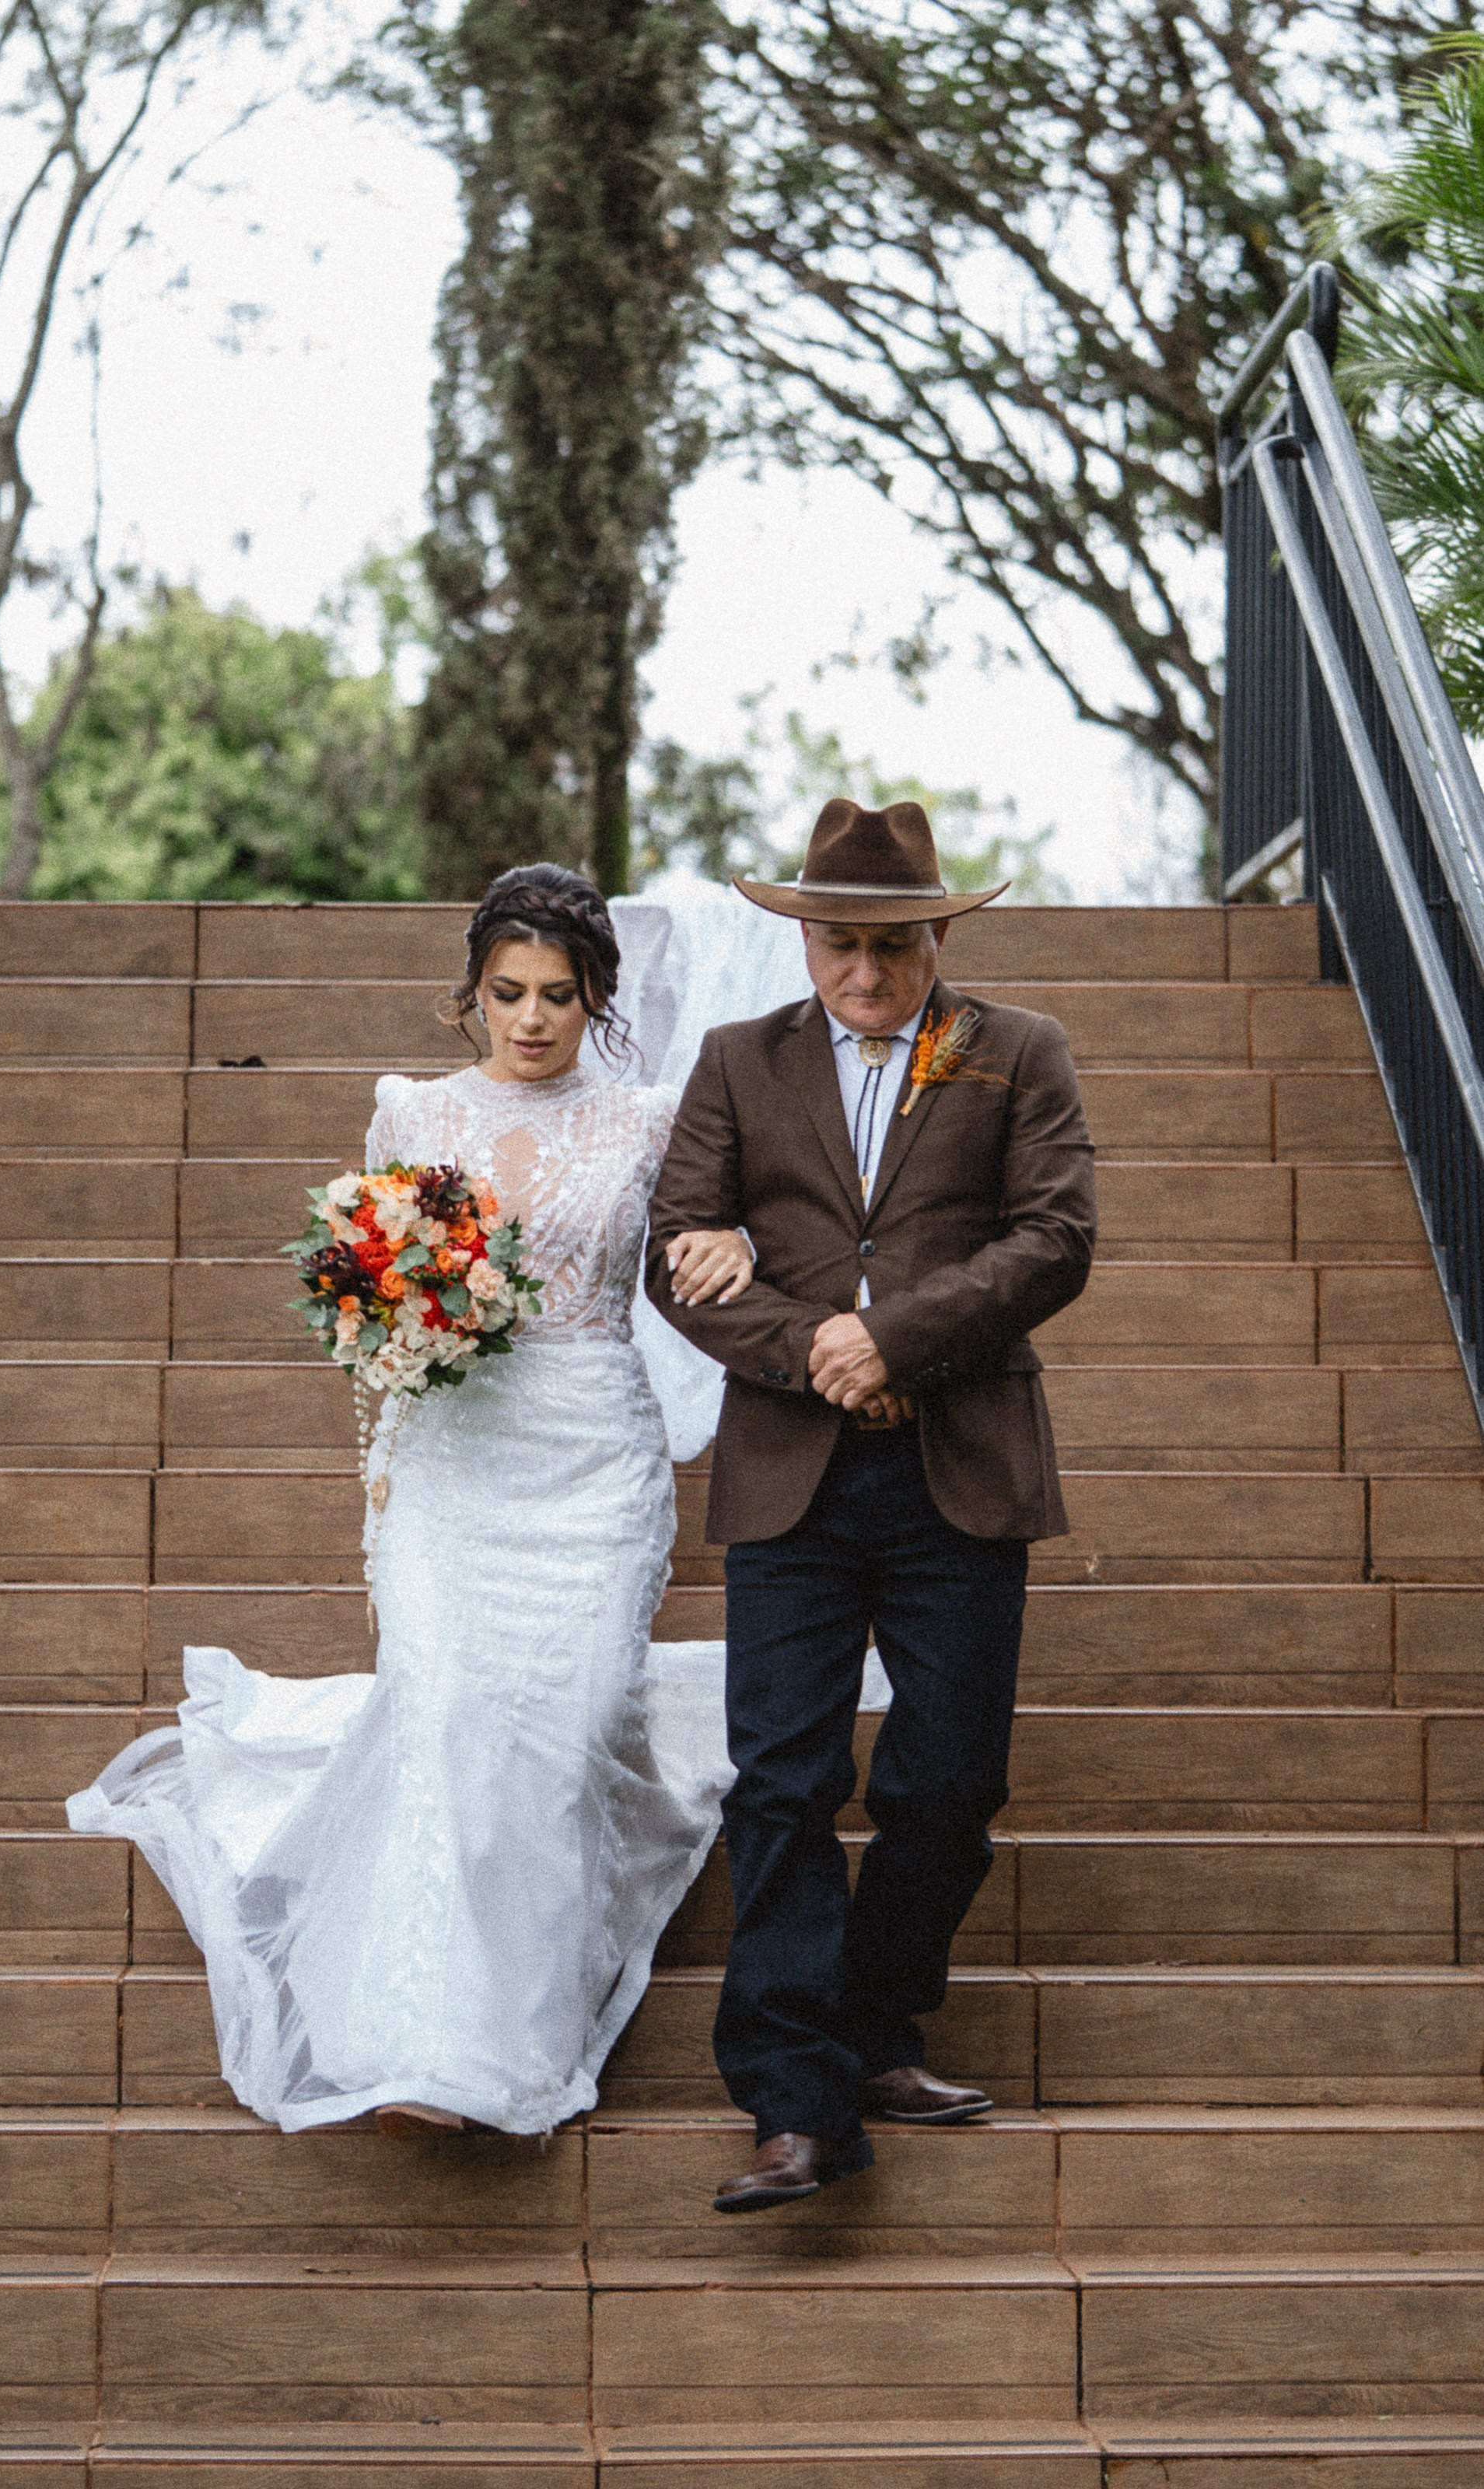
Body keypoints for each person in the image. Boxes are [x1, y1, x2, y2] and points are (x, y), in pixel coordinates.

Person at [68, 864, 751, 2136]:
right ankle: (438, 2039)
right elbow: (365, 1296)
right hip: (448, 1455)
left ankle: (523, 2007)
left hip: (593, 1451)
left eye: (558, 994)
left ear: (598, 997)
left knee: (573, 1717)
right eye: (507, 992)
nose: (531, 1018)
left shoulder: (653, 1120)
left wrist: (741, 1247)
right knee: (442, 1712)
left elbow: (705, 1244)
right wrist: (387, 1404)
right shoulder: (411, 1112)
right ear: (470, 995)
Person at [646, 796, 1097, 2212]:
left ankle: (877, 2030)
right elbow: (678, 1253)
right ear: (802, 939)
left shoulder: (1016, 1053)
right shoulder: (735, 1063)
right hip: (791, 1480)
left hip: (961, 1466)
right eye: (838, 945)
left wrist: (896, 1337)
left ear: (936, 935)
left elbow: (1056, 1239)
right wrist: (822, 1357)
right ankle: (792, 2100)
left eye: (892, 947)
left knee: (946, 1783)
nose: (864, 975)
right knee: (780, 1784)